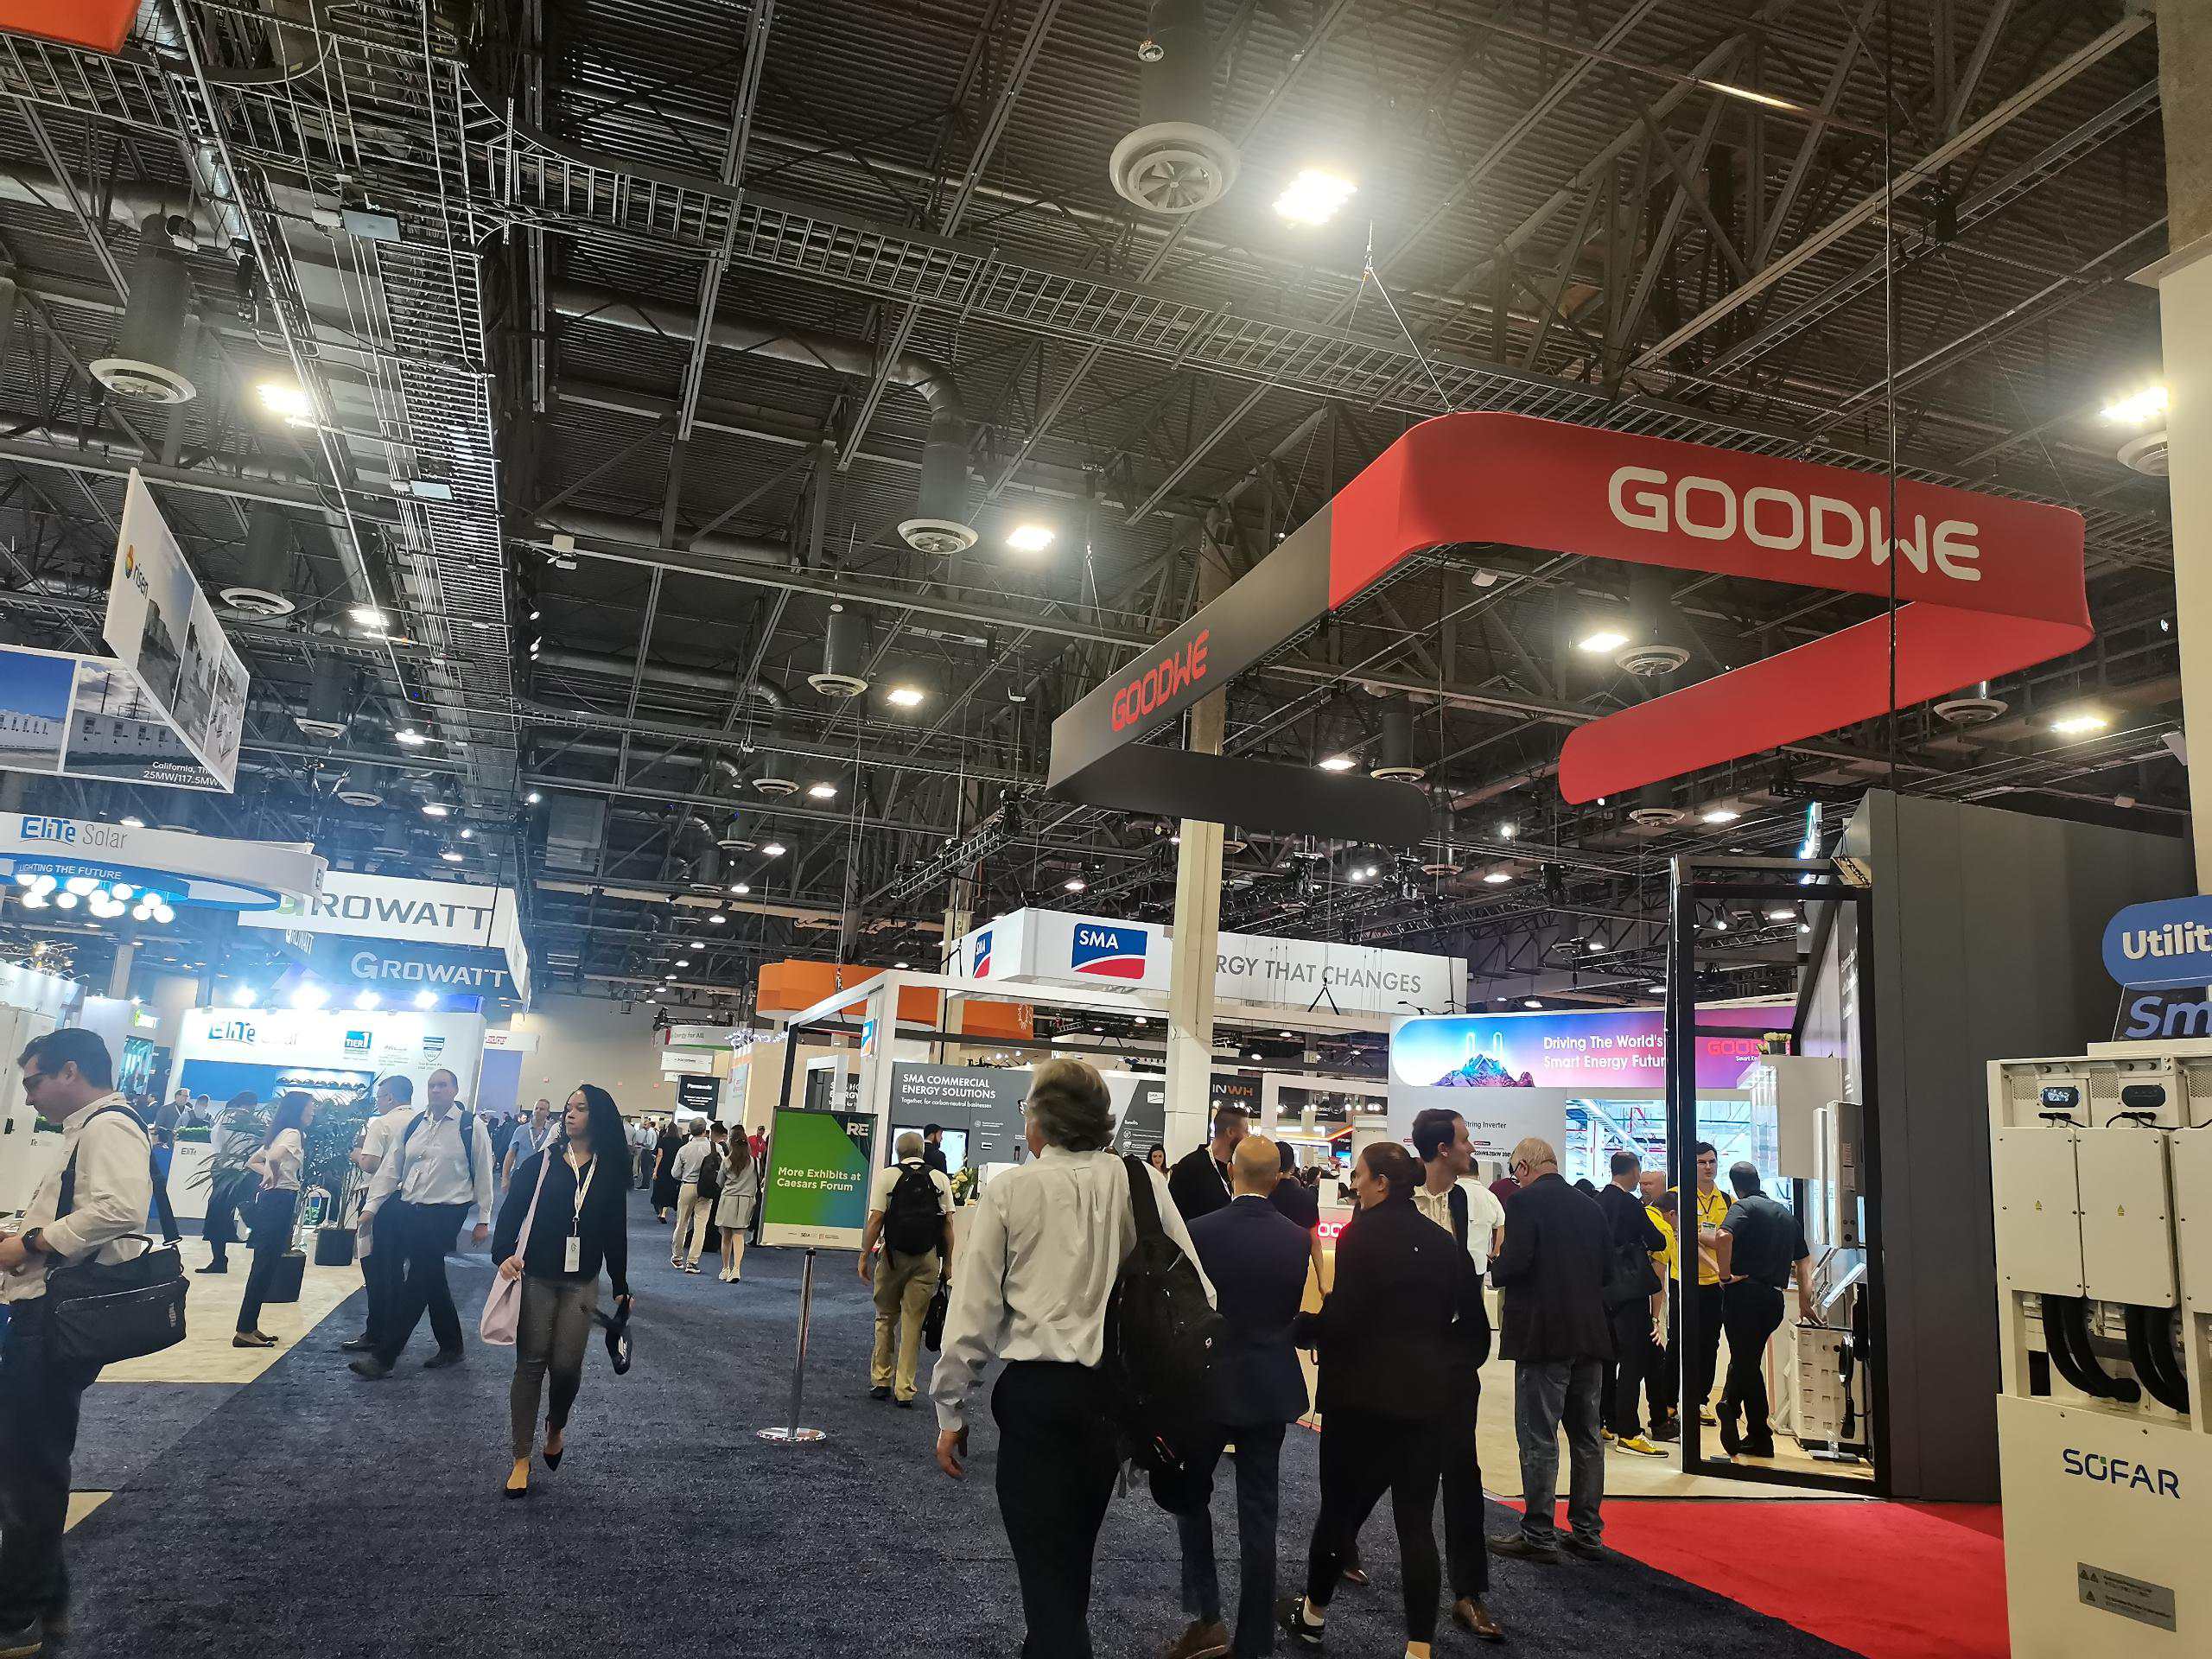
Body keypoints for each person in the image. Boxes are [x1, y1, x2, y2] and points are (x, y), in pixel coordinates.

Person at [931, 1058, 1211, 1658]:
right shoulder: (1140, 1181)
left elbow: (972, 1315)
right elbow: (1199, 1294)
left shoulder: (1013, 1189)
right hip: (1112, 1405)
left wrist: (950, 1409)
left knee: (1047, 1583)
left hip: (1037, 1401)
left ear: (1040, 1120)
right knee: (1068, 1571)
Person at [1281, 1141, 1475, 1658]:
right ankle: (1419, 1648)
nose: (1355, 1185)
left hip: (1359, 1399)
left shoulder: (1360, 1235)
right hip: (1424, 1400)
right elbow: (1461, 1323)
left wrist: (1302, 1329)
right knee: (1416, 1525)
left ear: (1382, 1182)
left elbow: (1347, 1316)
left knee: (1338, 1511)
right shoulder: (1442, 1242)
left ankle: (1313, 1616)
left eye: (1360, 1176)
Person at [0, 1028, 154, 1654]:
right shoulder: (88, 1127)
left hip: (52, 1317)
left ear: (70, 1071)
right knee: (28, 1460)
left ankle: (19, 1613)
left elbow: (120, 1210)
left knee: (28, 1469)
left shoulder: (108, 1125)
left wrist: (29, 1243)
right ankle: (46, 1599)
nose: (29, 1095)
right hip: (43, 1311)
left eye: (33, 1081)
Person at [1166, 1135, 1310, 1659]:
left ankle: (1207, 1618)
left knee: (1189, 1498)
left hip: (1206, 1387)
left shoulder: (1199, 1232)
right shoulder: (1297, 1239)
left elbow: (1185, 1313)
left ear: (1232, 1173)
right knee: (1260, 1515)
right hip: (1269, 1386)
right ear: (1277, 1178)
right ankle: (1254, 1642)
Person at [492, 1085, 633, 1498]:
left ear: (597, 1117)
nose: (570, 1114)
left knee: (568, 1366)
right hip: (536, 1274)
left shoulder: (608, 1170)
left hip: (582, 1279)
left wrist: (620, 1283)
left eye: (580, 1108)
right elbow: (513, 1210)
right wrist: (502, 1255)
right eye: (568, 1108)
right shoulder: (543, 1162)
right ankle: (521, 1457)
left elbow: (615, 1230)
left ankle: (556, 1425)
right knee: (531, 1363)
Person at [1487, 1136, 1612, 1562]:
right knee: (1587, 1437)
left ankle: (1539, 1534)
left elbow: (1516, 1263)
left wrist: (1496, 1267)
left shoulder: (1524, 1203)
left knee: (1538, 1436)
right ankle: (1587, 1533)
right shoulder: (1591, 1207)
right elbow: (1607, 1272)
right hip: (1590, 1335)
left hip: (1543, 1336)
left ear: (1524, 1167)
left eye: (1514, 1172)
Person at [1408, 1108, 1505, 1641]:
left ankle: (1468, 1593)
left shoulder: (1470, 1200)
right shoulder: (1397, 1196)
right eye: (1465, 1140)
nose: (1472, 1147)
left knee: (1463, 1474)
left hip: (1454, 1360)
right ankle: (1339, 1554)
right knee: (1388, 1470)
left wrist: (1471, 1346)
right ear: (1443, 1148)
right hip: (1403, 1359)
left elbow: (1474, 1273)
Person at [349, 1068, 495, 1379]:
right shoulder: (416, 1124)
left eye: (442, 1085)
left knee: (417, 1280)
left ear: (455, 1090)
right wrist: (372, 1207)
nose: (436, 1090)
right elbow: (391, 1168)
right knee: (432, 1276)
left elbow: (484, 1171)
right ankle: (452, 1345)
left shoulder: (470, 1126)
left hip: (448, 1213)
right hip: (412, 1210)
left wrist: (484, 1219)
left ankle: (385, 1356)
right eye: (432, 1085)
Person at [1714, 1163, 1814, 1459]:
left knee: (1744, 1361)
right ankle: (1745, 1421)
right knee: (1748, 1358)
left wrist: (1724, 1275)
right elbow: (1804, 1261)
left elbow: (1723, 1236)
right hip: (1773, 1300)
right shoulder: (1785, 1214)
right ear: (1758, 1181)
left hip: (1744, 1294)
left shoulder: (1743, 1206)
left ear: (1736, 1186)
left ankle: (1742, 1417)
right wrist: (1806, 1301)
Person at [861, 1131, 955, 1406]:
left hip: (893, 1256)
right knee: (913, 1323)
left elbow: (876, 1219)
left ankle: (881, 1380)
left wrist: (864, 1255)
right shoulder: (939, 1179)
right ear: (922, 1152)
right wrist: (948, 1263)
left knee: (885, 1317)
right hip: (927, 1258)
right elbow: (948, 1225)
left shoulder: (888, 1176)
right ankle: (905, 1389)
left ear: (897, 1152)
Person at [1594, 1151, 1669, 1457]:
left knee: (1606, 1360)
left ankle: (1605, 1421)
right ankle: (1629, 1431)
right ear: (1635, 1172)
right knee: (1633, 1361)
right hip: (1630, 1292)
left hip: (1602, 1292)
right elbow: (1658, 1241)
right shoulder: (1632, 1205)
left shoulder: (1597, 1201)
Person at [234, 1090, 316, 1350]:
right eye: (310, 1107)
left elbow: (253, 1161)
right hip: (279, 1201)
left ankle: (249, 1326)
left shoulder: (280, 1132)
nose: (313, 1112)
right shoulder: (292, 1134)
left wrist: (269, 1174)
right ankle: (244, 1330)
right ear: (298, 1109)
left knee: (265, 1264)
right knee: (264, 1265)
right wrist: (274, 1174)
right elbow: (271, 1158)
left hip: (273, 1200)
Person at [342, 1077, 414, 1355]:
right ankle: (392, 1333)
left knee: (375, 1269)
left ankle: (375, 1333)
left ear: (390, 1097)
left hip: (380, 1200)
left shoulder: (382, 1124)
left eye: (380, 1097)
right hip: (410, 1202)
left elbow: (371, 1164)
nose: (378, 1102)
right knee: (396, 1271)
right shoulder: (421, 1122)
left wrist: (356, 1154)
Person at [1677, 1141, 1730, 1426]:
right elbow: (1686, 1239)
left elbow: (1728, 1240)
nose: (1708, 1167)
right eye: (1701, 1162)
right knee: (1681, 1342)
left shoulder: (1727, 1200)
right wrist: (1715, 1257)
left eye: (1712, 1162)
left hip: (1715, 1286)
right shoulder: (1679, 1196)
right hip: (1685, 1281)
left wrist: (1698, 1236)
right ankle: (1673, 1402)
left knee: (1710, 1343)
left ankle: (1700, 1401)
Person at [198, 1092, 261, 1275]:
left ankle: (219, 1260)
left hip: (227, 1172)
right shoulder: (256, 1122)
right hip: (248, 1172)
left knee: (218, 1214)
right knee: (249, 1210)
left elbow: (217, 1142)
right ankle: (264, 1247)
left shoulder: (226, 1119)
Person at [1640, 1182, 1680, 1440]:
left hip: (1615, 1300)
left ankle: (1610, 1420)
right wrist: (1655, 1319)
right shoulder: (1663, 1230)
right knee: (1654, 1362)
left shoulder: (1639, 1214)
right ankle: (1660, 1422)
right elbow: (1658, 1279)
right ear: (1672, 1214)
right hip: (1643, 1304)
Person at [1168, 1105, 1248, 1223]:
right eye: (1245, 1131)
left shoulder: (1238, 1168)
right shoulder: (1189, 1167)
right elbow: (1173, 1217)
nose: (1248, 1137)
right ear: (1230, 1132)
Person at [1268, 1139, 1325, 1287]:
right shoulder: (1308, 1198)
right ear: (1292, 1167)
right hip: (1296, 1266)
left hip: (1264, 1262)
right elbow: (1315, 1241)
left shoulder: (1264, 1194)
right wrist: (1322, 1281)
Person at [715, 1128, 760, 1282]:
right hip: (746, 1201)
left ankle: (725, 1269)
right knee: (739, 1236)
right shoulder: (754, 1161)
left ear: (731, 1143)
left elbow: (720, 1182)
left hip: (728, 1200)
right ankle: (737, 1269)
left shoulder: (727, 1161)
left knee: (726, 1236)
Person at [669, 1121, 715, 1272]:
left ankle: (677, 1257)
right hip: (707, 1189)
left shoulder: (684, 1149)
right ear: (705, 1131)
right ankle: (692, 1262)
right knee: (701, 1226)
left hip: (688, 1186)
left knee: (682, 1223)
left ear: (690, 1131)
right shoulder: (715, 1148)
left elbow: (675, 1173)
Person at [501, 1098, 556, 1194]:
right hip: (520, 1176)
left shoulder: (551, 1133)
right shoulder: (520, 1130)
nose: (538, 1111)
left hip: (541, 1179)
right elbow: (510, 1154)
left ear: (547, 1113)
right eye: (536, 1108)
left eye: (542, 1109)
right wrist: (505, 1178)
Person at [651, 1120, 683, 1221]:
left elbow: (660, 1155)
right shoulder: (680, 1142)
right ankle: (664, 1213)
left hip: (663, 1168)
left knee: (660, 1189)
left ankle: (660, 1212)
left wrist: (655, 1169)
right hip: (674, 1168)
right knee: (670, 1190)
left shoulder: (663, 1140)